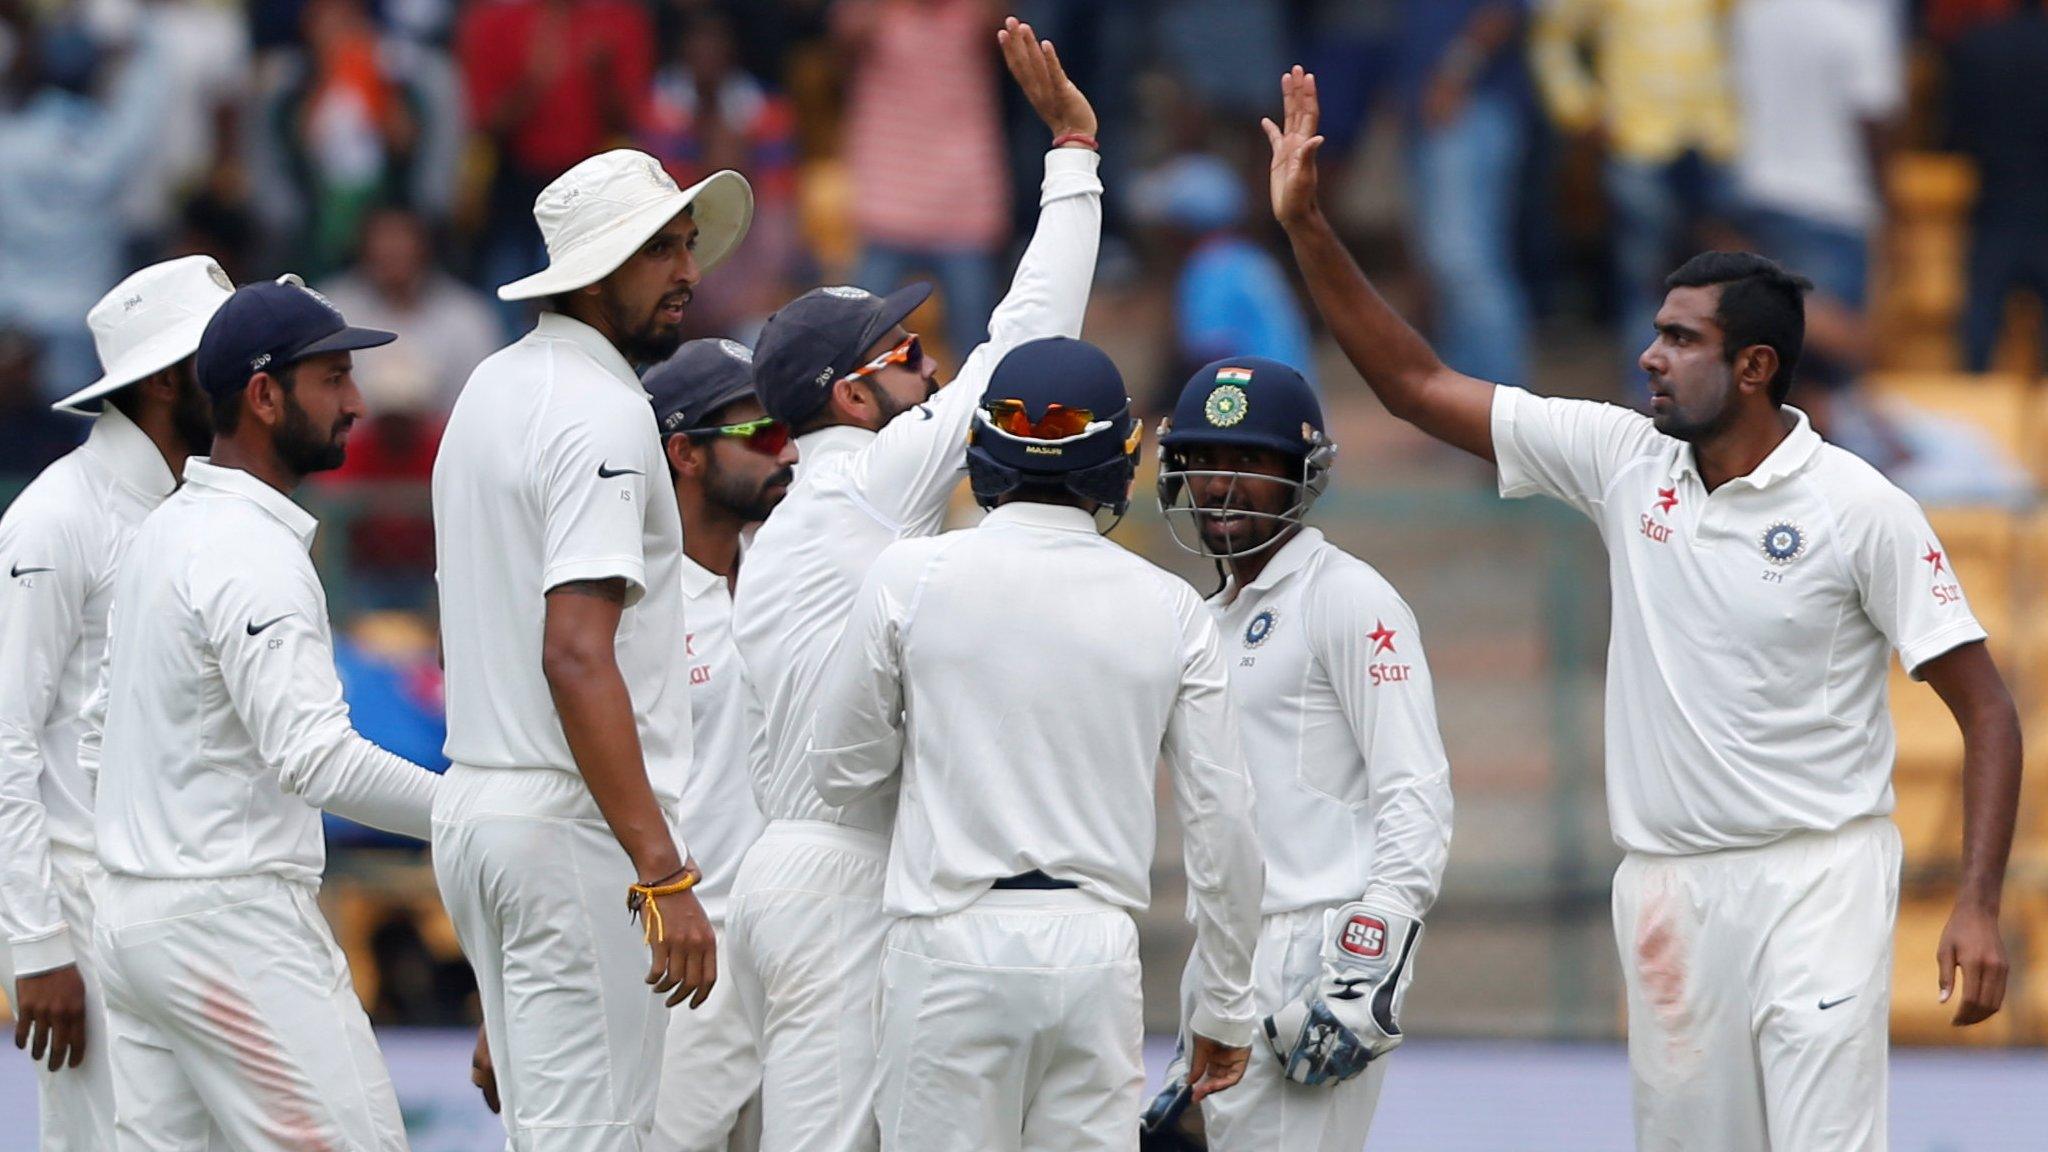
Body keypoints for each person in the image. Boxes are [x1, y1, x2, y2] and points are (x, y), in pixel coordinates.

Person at [1263, 68, 2023, 1150]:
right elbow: (1417, 387)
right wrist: (1308, 229)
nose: (1646, 356)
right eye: (1655, 332)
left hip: (1818, 878)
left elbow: (1986, 711)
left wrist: (1977, 903)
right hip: (1665, 888)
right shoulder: (1625, 460)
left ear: (1753, 367)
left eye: (1678, 339)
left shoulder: (1861, 509)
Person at [725, 19, 1100, 1152]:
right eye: (905, 357)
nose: (931, 367)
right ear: (847, 397)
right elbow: (1024, 347)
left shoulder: (798, 520)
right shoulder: (862, 489)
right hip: (838, 871)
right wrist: (1073, 157)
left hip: (791, 862)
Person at [807, 336, 1265, 1151]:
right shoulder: (1171, 608)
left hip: (948, 938)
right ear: (1119, 462)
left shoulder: (908, 578)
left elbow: (839, 774)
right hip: (1094, 949)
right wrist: (1225, 1004)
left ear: (982, 451)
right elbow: (1223, 824)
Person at [430, 149, 752, 1151]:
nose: (685, 273)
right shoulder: (606, 412)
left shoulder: (489, 385)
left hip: (483, 811)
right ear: (590, 271)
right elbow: (574, 654)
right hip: (569, 824)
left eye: (686, 246)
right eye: (654, 250)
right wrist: (662, 870)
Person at [86, 276, 442, 1150]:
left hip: (137, 921)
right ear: (263, 394)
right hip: (230, 924)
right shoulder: (249, 551)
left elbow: (98, 731)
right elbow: (315, 761)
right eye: (332, 379)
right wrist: (471, 808)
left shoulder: (166, 531)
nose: (355, 403)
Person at [1146, 355, 1453, 1150]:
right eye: (1204, 462)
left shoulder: (1347, 596)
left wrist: (1365, 975)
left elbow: (1415, 791)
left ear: (1302, 472)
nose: (1221, 485)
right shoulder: (1203, 619)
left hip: (1313, 946)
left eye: (1250, 461)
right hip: (1225, 947)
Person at [0, 255, 231, 1151]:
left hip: (184, 898)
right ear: (172, 379)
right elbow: (7, 739)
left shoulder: (200, 502)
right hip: (85, 913)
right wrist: (35, 946)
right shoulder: (56, 517)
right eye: (219, 357)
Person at [645, 338, 793, 1151]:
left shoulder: (788, 572)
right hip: (680, 958)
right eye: (762, 433)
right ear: (685, 453)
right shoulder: (629, 603)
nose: (788, 450)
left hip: (795, 949)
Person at [1531, 0, 1739, 391]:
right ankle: (1651, 400)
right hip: (1638, 141)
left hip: (1712, 140)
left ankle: (1720, 396)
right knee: (1647, 281)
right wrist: (1581, 112)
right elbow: (1552, 38)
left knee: (1727, 282)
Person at [1946, 0, 2048, 370]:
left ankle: (1972, 422)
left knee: (1978, 340)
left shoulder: (1977, 47)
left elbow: (1954, 134)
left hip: (1994, 204)